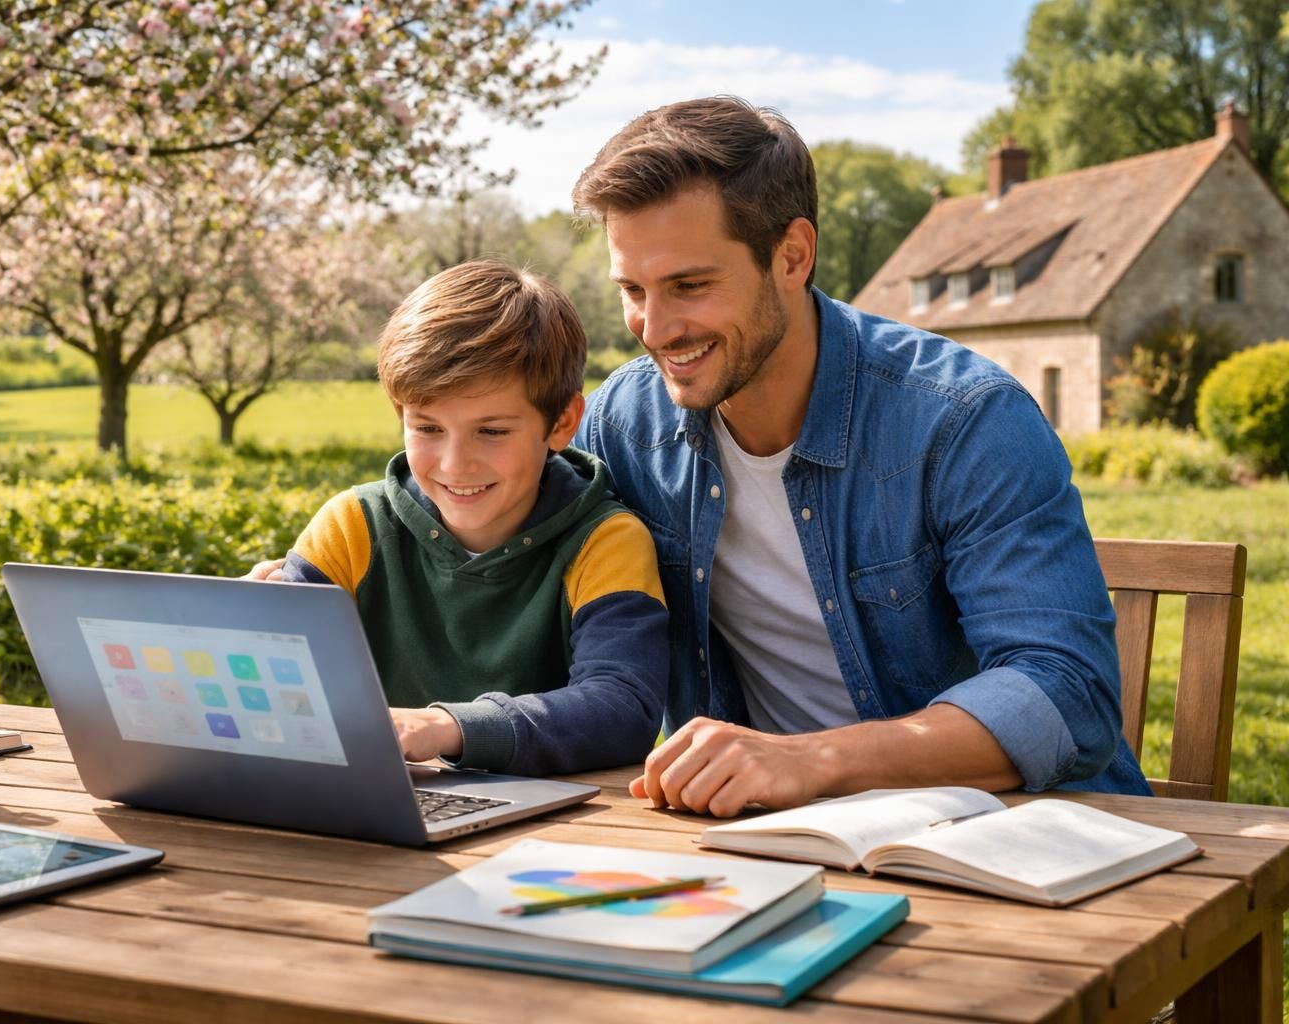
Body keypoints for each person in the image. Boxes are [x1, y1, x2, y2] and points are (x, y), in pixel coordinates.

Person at [568, 96, 1151, 816]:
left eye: (690, 286)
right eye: (633, 290)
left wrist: (810, 761)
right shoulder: (626, 423)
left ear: (793, 256)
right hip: (769, 836)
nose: (655, 330)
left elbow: (1066, 691)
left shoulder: (963, 419)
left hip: (1018, 833)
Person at [262, 258, 668, 777]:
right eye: (427, 429)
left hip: (557, 826)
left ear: (562, 422)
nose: (455, 465)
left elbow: (622, 708)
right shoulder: (351, 526)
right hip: (375, 812)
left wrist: (444, 728)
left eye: (492, 431)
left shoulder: (605, 541)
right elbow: (276, 686)